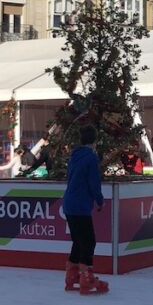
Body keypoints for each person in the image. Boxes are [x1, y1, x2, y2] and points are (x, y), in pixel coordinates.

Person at [62, 126, 108, 294]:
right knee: (89, 241)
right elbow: (94, 183)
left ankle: (71, 275)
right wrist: (100, 200)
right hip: (80, 205)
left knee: (78, 240)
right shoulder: (91, 158)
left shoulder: (74, 156)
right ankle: (86, 276)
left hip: (69, 203)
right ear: (95, 141)